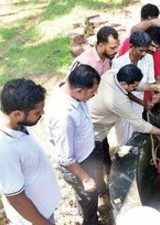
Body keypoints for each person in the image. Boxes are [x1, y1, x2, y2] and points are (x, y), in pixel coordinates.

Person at [0, 79, 60, 225]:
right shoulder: (2, 150)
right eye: (37, 112)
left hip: (43, 210)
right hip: (35, 219)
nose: (42, 114)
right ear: (17, 114)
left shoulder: (15, 125)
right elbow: (16, 198)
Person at [88, 64, 160, 173]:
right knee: (97, 159)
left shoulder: (112, 74)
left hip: (96, 115)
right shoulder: (117, 101)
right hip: (94, 130)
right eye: (133, 87)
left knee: (104, 148)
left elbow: (135, 85)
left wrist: (156, 87)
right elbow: (139, 124)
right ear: (124, 84)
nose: (135, 89)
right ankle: (102, 184)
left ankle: (108, 170)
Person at [47, 64, 103, 225]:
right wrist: (85, 179)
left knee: (86, 198)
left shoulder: (71, 92)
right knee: (89, 200)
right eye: (93, 92)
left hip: (86, 154)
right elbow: (66, 158)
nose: (95, 94)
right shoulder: (63, 116)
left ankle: (84, 207)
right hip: (79, 166)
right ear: (79, 91)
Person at [118, 26, 160, 107]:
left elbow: (152, 81)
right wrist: (142, 102)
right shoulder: (120, 61)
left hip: (141, 103)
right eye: (152, 45)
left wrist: (158, 95)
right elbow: (122, 88)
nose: (154, 50)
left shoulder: (151, 57)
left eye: (157, 48)